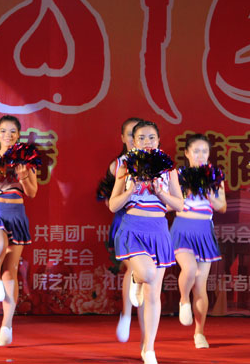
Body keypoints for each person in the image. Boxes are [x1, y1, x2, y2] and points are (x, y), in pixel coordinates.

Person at [109, 120, 183, 364]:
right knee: (147, 274)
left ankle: (148, 349)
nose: (147, 142)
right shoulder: (125, 166)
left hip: (159, 230)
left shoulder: (169, 169)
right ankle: (135, 278)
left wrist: (160, 192)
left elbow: (179, 204)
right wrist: (130, 190)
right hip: (133, 227)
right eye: (141, 138)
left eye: (151, 137)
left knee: (152, 295)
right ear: (133, 142)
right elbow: (113, 205)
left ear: (159, 140)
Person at [0, 115, 38, 347]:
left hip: (16, 215)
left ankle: (7, 324)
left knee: (10, 272)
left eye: (12, 131)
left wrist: (23, 176)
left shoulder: (26, 160)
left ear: (18, 135)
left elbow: (32, 192)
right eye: (3, 131)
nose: (8, 135)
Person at [170, 134, 226, 348]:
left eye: (205, 151)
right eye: (196, 151)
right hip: (183, 228)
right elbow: (169, 204)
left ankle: (199, 333)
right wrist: (184, 193)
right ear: (187, 153)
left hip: (204, 231)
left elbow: (222, 207)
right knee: (190, 269)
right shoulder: (178, 176)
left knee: (200, 285)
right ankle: (184, 300)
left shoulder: (216, 177)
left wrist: (210, 193)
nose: (201, 155)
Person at [98, 117, 142, 343]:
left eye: (139, 133)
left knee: (145, 275)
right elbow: (107, 195)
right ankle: (126, 314)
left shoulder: (156, 163)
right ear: (123, 137)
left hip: (149, 224)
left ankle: (146, 335)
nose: (134, 138)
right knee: (132, 268)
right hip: (124, 222)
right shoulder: (117, 165)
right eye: (130, 134)